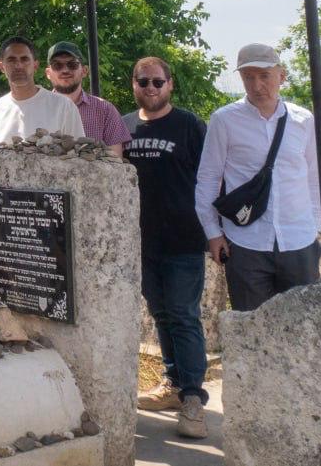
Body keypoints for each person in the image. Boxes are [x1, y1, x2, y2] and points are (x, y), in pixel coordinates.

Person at [195, 43, 321, 313]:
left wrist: (315, 228)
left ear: (282, 76)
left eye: (264, 76)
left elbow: (314, 178)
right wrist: (213, 234)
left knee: (303, 328)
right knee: (250, 331)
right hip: (246, 242)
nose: (256, 85)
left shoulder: (303, 120)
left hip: (298, 240)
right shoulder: (224, 120)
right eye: (248, 77)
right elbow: (208, 178)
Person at [122, 56, 209, 439]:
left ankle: (193, 400)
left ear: (170, 85)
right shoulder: (123, 127)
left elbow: (211, 177)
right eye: (144, 82)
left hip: (183, 239)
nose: (151, 88)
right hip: (141, 242)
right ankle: (173, 384)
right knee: (160, 314)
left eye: (158, 82)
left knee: (183, 315)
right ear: (134, 84)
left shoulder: (189, 125)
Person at [0, 37, 84, 160]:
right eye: (11, 60)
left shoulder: (63, 106)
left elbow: (79, 158)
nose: (18, 65)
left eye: (24, 59)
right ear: (2, 67)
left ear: (35, 65)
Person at [45, 41, 130, 155]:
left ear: (84, 71)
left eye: (72, 64)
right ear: (48, 73)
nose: (65, 70)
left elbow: (115, 162)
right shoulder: (38, 109)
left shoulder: (105, 110)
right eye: (57, 65)